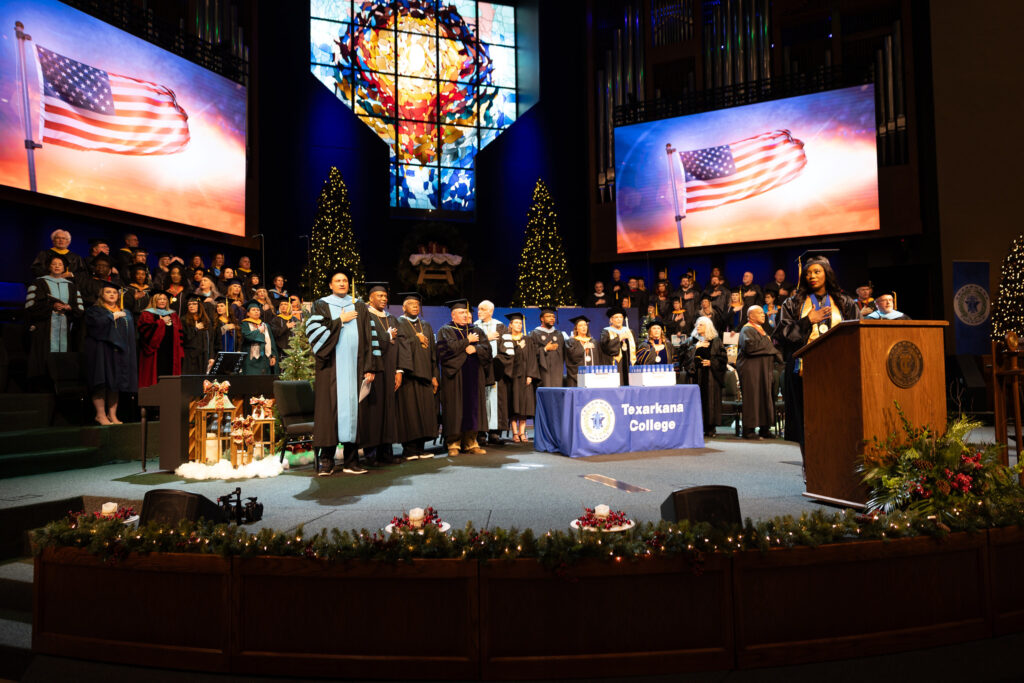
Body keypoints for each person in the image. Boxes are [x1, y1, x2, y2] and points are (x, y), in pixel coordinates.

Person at [772, 255, 858, 454]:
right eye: (808, 273)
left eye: (817, 272)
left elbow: (857, 331)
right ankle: (810, 471)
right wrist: (807, 321)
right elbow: (781, 335)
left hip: (839, 371)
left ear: (827, 274)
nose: (812, 276)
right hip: (803, 372)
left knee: (837, 418)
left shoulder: (843, 301)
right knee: (807, 421)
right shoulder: (793, 303)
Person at [305, 269, 376, 476]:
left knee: (354, 413)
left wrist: (369, 367)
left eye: (345, 280)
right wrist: (340, 321)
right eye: (337, 280)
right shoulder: (321, 304)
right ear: (330, 285)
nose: (342, 283)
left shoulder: (360, 306)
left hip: (356, 367)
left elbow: (369, 338)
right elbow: (314, 331)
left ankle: (351, 461)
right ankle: (326, 461)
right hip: (330, 368)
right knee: (329, 413)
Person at [436, 299, 491, 457]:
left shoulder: (477, 330)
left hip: (474, 377)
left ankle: (471, 442)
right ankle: (453, 443)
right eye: (461, 313)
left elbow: (486, 350)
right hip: (455, 377)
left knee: (474, 409)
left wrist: (475, 348)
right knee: (455, 409)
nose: (466, 315)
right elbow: (445, 351)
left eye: (467, 312)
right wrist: (467, 342)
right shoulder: (445, 330)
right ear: (453, 315)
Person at [26, 254, 85, 388]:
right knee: (43, 358)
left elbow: (80, 309)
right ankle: (42, 386)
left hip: (65, 328)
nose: (57, 266)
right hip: (45, 327)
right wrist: (51, 306)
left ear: (65, 268)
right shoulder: (39, 283)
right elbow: (31, 306)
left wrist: (69, 308)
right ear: (49, 267)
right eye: (54, 264)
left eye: (60, 264)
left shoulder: (72, 286)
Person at [358, 282, 400, 465]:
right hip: (374, 369)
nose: (384, 299)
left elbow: (398, 346)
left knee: (387, 410)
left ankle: (386, 453)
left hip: (390, 369)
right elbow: (369, 343)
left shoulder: (391, 318)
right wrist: (387, 337)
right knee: (373, 411)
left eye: (385, 296)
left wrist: (399, 371)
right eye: (379, 296)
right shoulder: (365, 316)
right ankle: (371, 454)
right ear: (370, 298)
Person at [84, 282, 137, 424]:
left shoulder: (126, 312)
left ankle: (112, 415)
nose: (112, 295)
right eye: (108, 292)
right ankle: (100, 414)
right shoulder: (95, 311)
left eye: (114, 292)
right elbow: (94, 328)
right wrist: (112, 317)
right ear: (102, 294)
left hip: (120, 353)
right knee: (102, 382)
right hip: (102, 351)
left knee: (116, 383)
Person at [394, 292, 439, 459]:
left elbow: (433, 353)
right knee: (410, 413)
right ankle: (409, 449)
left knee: (425, 413)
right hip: (409, 376)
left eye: (417, 304)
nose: (415, 306)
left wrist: (434, 376)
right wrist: (415, 338)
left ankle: (421, 448)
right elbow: (398, 346)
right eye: (411, 304)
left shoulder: (426, 325)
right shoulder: (398, 323)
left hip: (426, 375)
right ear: (404, 307)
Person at [737, 306, 781, 439]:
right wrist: (770, 347)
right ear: (751, 316)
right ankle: (749, 430)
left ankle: (764, 428)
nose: (764, 315)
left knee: (764, 396)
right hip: (751, 370)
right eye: (760, 313)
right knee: (752, 398)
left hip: (763, 369)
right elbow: (750, 347)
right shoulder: (747, 329)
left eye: (763, 312)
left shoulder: (761, 330)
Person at [495, 312, 535, 442]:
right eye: (515, 323)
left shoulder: (527, 340)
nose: (518, 325)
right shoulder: (506, 339)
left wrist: (530, 374)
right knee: (513, 405)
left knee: (524, 405)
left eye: (519, 323)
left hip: (524, 376)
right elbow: (505, 358)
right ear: (510, 325)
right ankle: (514, 432)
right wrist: (517, 347)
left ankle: (523, 432)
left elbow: (532, 359)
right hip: (511, 376)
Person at [688, 316, 728, 438]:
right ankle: (697, 427)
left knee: (710, 401)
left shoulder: (715, 341)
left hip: (711, 376)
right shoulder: (692, 340)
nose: (697, 327)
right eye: (697, 325)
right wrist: (696, 347)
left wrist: (712, 362)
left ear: (708, 327)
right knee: (697, 401)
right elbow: (683, 356)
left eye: (701, 325)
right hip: (695, 376)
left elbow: (723, 358)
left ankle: (710, 428)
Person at [475, 300, 506, 446]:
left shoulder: (500, 326)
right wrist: (486, 337)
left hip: (495, 368)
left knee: (495, 400)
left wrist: (495, 365)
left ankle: (495, 433)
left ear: (491, 312)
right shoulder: (474, 326)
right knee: (481, 399)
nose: (479, 312)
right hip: (479, 368)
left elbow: (506, 349)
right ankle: (480, 433)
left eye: (483, 309)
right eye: (479, 309)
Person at [137, 291, 184, 388]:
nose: (162, 301)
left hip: (171, 352)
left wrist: (179, 351)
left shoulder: (173, 315)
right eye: (159, 299)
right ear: (154, 301)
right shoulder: (147, 314)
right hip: (155, 352)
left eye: (164, 299)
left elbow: (179, 333)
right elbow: (145, 334)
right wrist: (160, 322)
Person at [527, 306, 565, 389]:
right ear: (542, 319)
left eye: (553, 317)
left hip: (557, 371)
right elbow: (530, 354)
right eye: (548, 316)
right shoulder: (534, 334)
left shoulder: (559, 334)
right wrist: (545, 349)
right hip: (542, 371)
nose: (552, 318)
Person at [599, 306, 636, 386]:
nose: (619, 319)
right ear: (611, 320)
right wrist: (619, 338)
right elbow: (605, 347)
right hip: (614, 363)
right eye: (616, 317)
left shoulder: (629, 331)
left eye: (621, 317)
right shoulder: (606, 331)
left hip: (628, 364)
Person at [181, 295, 217, 375]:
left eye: (194, 304)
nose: (191, 306)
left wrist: (211, 357)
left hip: (203, 356)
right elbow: (184, 338)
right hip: (190, 356)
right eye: (189, 304)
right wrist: (195, 329)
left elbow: (211, 341)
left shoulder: (206, 321)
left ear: (199, 305)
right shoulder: (183, 320)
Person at [239, 301, 278, 375]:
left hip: (265, 358)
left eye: (258, 310)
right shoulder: (244, 324)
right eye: (253, 310)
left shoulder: (265, 325)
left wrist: (273, 356)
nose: (256, 312)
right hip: (251, 359)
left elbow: (271, 341)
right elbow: (247, 336)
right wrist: (258, 331)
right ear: (248, 313)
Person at [564, 315, 596, 387]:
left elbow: (597, 359)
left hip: (591, 375)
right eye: (581, 325)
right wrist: (583, 348)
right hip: (575, 376)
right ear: (576, 329)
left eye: (585, 325)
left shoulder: (593, 341)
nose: (584, 327)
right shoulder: (571, 341)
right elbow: (572, 357)